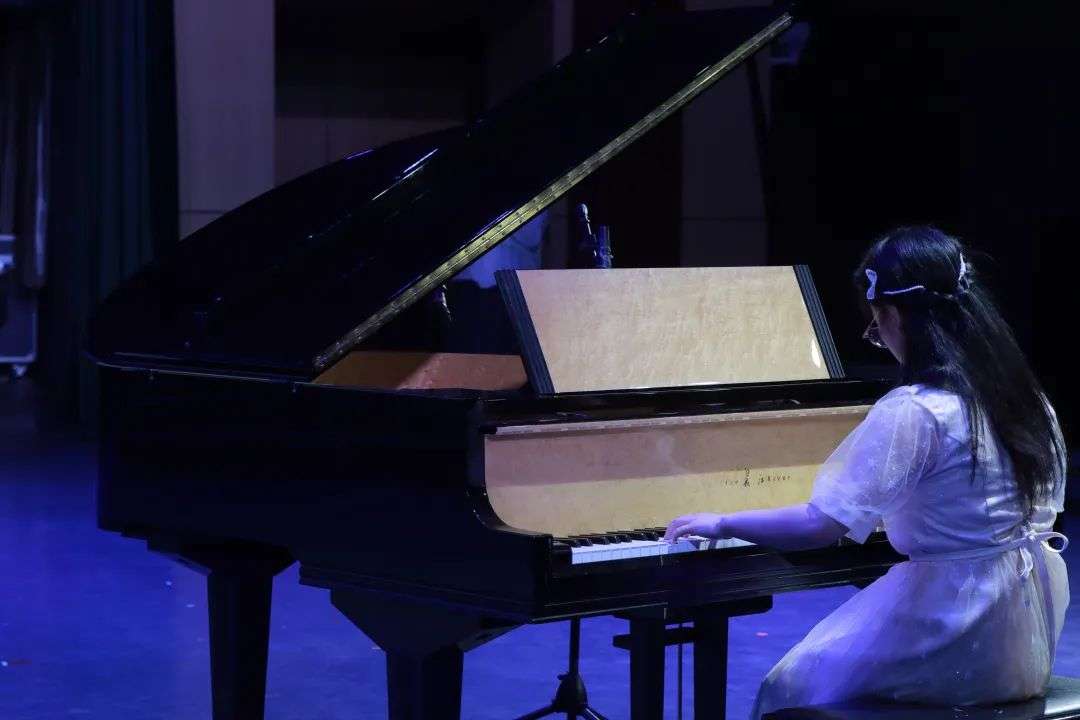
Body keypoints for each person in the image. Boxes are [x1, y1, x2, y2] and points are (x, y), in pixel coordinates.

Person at [663, 226, 1069, 718]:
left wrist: (723, 522)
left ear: (893, 314)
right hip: (1024, 629)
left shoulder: (916, 410)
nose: (880, 336)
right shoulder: (1028, 402)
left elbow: (820, 525)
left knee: (789, 688)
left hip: (957, 625)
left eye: (876, 324)